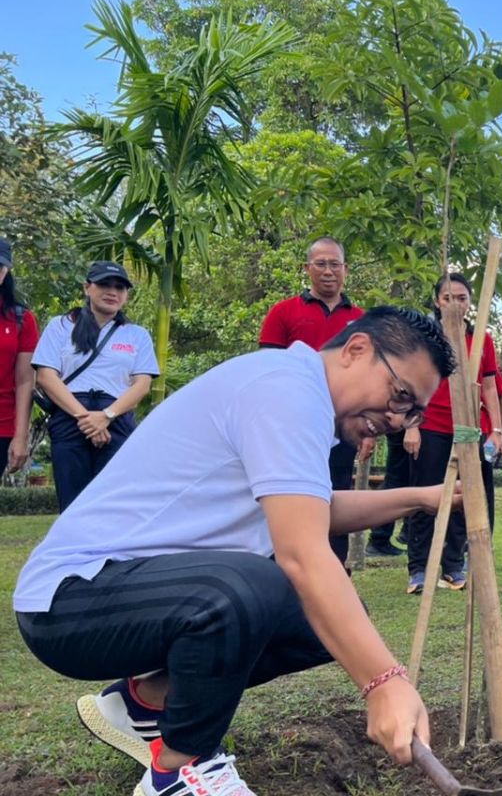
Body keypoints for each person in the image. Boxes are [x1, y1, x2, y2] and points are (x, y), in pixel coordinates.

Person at [14, 306, 456, 796]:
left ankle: (145, 704)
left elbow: (312, 509)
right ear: (357, 351)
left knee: (317, 620)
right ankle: (179, 771)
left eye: (411, 411)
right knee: (260, 583)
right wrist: (384, 681)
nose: (396, 420)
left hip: (133, 588)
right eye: (398, 396)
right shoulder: (286, 391)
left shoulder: (293, 391)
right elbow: (303, 552)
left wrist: (422, 497)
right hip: (69, 599)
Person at [260, 236, 373, 567]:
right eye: (321, 264)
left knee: (334, 495)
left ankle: (334, 571)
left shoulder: (363, 320)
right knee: (286, 496)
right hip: (291, 425)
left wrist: (366, 430)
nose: (328, 271)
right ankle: (279, 569)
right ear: (307, 268)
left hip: (340, 424)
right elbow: (269, 372)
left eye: (335, 264)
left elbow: (369, 380)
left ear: (346, 270)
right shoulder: (283, 312)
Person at [401, 272, 502, 594]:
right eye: (448, 298)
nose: (455, 304)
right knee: (423, 498)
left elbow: (489, 386)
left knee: (464, 498)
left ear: (471, 302)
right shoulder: (423, 338)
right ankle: (418, 568)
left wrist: (497, 430)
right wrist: (411, 426)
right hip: (431, 427)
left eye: (462, 298)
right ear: (437, 301)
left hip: (470, 430)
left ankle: (453, 566)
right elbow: (409, 386)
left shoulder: (482, 339)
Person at [32, 262, 157, 511]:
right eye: (104, 285)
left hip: (116, 420)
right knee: (72, 503)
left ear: (126, 295)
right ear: (87, 287)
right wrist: (85, 418)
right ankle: (70, 550)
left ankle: (111, 552)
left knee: (114, 503)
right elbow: (46, 376)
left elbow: (142, 384)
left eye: (119, 287)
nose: (112, 292)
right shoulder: (61, 325)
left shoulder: (136, 334)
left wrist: (106, 416)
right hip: (70, 418)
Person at [0, 238, 38, 474]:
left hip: (2, 425)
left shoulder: (21, 319)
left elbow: (25, 381)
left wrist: (21, 436)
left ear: (5, 272)